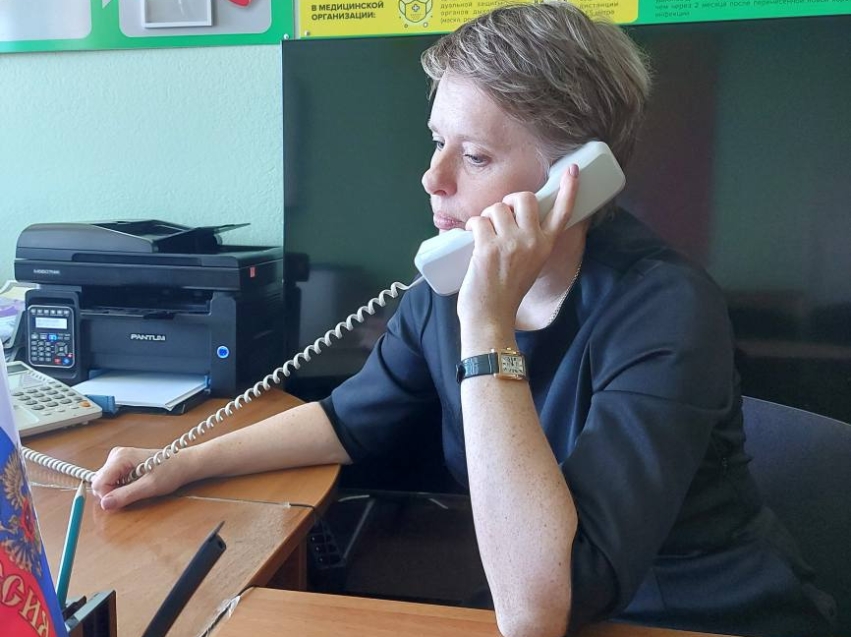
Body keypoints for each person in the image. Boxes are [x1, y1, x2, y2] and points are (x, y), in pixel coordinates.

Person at [92, 3, 837, 636]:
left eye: (475, 155)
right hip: (538, 594)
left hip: (700, 615)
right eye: (436, 140)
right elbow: (347, 421)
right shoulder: (447, 287)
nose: (432, 177)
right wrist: (179, 462)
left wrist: (487, 327)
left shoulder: (665, 308)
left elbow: (541, 607)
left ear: (573, 181)